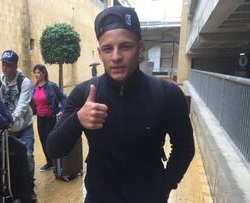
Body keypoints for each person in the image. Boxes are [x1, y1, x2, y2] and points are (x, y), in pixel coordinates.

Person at [47, 6, 195, 203]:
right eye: (108, 48)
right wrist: (77, 119)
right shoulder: (83, 94)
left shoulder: (167, 94)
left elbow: (185, 147)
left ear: (140, 47)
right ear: (100, 53)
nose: (116, 56)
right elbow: (54, 149)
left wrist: (165, 185)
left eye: (125, 46)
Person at [0, 50, 37, 201]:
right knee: (8, 160)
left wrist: (11, 118)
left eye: (8, 65)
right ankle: (13, 187)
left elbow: (23, 105)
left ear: (15, 66)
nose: (5, 68)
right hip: (7, 130)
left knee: (27, 156)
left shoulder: (24, 82)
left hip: (24, 128)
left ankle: (29, 188)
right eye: (3, 64)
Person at [31, 64, 67, 172]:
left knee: (52, 140)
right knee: (43, 141)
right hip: (40, 119)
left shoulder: (51, 86)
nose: (37, 75)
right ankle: (49, 162)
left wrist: (62, 110)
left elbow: (63, 98)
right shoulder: (35, 88)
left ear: (44, 73)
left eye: (39, 72)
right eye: (35, 73)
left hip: (51, 118)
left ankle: (57, 162)